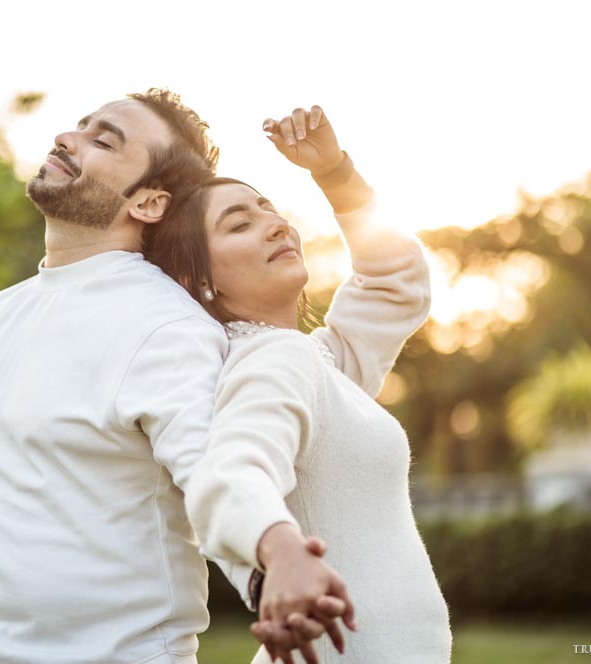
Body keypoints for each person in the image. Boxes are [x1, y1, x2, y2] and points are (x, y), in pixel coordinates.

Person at [0, 90, 349, 664]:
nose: (67, 139)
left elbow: (213, 476)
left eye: (104, 141)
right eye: (80, 127)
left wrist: (278, 554)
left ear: (147, 202)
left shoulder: (168, 328)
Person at [144, 104, 452, 663]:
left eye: (270, 209)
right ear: (197, 279)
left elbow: (396, 283)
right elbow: (231, 469)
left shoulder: (319, 362)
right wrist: (281, 552)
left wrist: (335, 173)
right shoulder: (276, 359)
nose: (277, 224)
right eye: (240, 224)